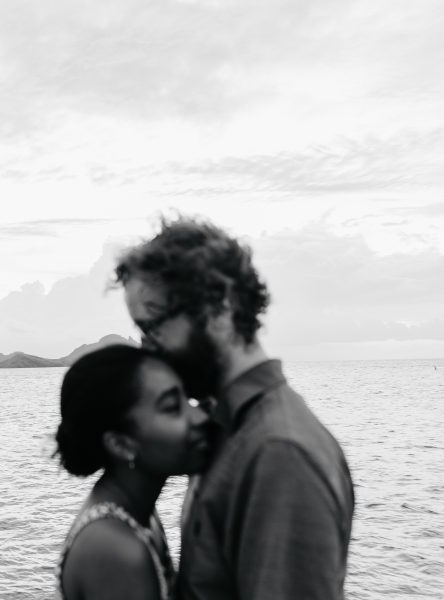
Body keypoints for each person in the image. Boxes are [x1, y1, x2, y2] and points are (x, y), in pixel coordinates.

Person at [115, 216, 354, 600]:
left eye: (155, 327)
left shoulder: (279, 454)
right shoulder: (228, 429)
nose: (148, 349)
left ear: (219, 307)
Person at [55, 344, 213, 600]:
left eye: (187, 399)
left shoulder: (140, 512)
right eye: (173, 407)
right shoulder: (114, 549)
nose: (198, 416)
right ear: (121, 445)